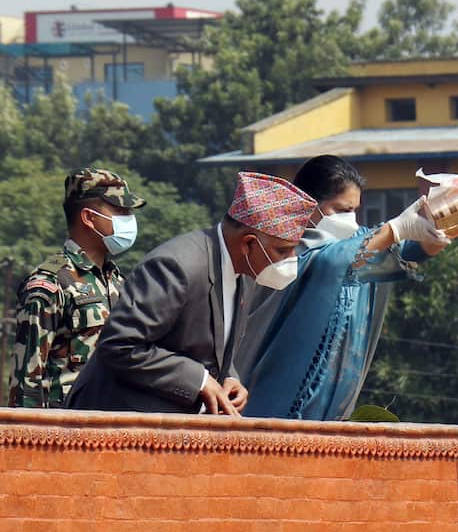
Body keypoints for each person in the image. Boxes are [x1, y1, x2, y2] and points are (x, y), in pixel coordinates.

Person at [67, 171, 316, 415]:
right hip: (112, 426)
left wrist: (229, 377)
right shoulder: (177, 266)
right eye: (283, 251)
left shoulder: (246, 272)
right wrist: (199, 379)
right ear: (248, 244)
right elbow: (119, 345)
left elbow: (210, 348)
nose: (291, 260)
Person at [234, 155, 452, 420]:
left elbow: (401, 251)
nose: (350, 220)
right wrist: (394, 230)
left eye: (354, 210)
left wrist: (434, 237)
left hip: (332, 413)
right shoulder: (282, 253)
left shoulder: (361, 242)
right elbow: (332, 264)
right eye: (340, 210)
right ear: (309, 207)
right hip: (270, 407)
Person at [9, 168, 146, 408]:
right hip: (65, 432)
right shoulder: (50, 283)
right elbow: (26, 381)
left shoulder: (116, 280)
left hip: (112, 426)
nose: (128, 218)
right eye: (119, 210)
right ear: (88, 217)